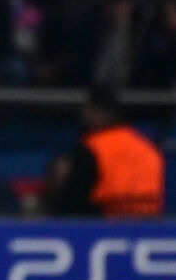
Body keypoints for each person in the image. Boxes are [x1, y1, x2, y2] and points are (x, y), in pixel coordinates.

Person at [53, 86, 164, 217]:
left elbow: (73, 203)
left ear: (98, 112)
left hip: (105, 224)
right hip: (151, 227)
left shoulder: (92, 147)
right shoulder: (149, 147)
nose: (84, 116)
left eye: (88, 110)